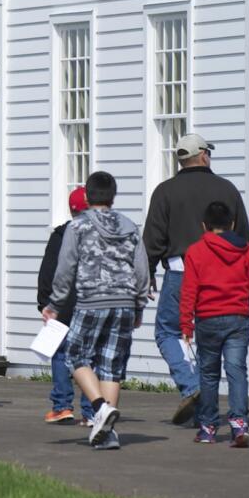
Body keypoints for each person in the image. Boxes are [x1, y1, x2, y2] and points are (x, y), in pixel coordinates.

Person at [143, 133, 249, 424]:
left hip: (180, 272)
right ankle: (220, 408)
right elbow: (244, 239)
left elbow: (152, 238)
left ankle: (192, 387)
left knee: (168, 332)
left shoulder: (164, 191)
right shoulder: (226, 189)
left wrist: (148, 272)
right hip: (224, 276)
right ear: (203, 154)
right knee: (214, 338)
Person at [43, 171, 148, 450]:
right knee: (112, 366)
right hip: (124, 302)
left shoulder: (78, 227)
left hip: (91, 299)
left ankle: (100, 408)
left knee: (75, 355)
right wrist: (138, 305)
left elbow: (66, 267)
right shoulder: (129, 226)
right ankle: (108, 433)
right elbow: (141, 268)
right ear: (113, 196)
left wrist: (55, 304)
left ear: (87, 196)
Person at [179, 201, 249, 447]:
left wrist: (186, 324)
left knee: (208, 374)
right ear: (231, 224)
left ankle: (208, 427)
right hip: (237, 318)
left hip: (207, 319)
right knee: (236, 370)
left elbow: (189, 291)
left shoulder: (196, 251)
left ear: (204, 226)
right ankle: (239, 424)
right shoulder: (245, 249)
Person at [36, 187, 93, 425]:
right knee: (89, 355)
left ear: (72, 210)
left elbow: (48, 270)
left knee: (60, 353)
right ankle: (91, 410)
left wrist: (44, 301)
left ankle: (62, 405)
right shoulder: (100, 235)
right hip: (91, 300)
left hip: (63, 302)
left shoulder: (60, 235)